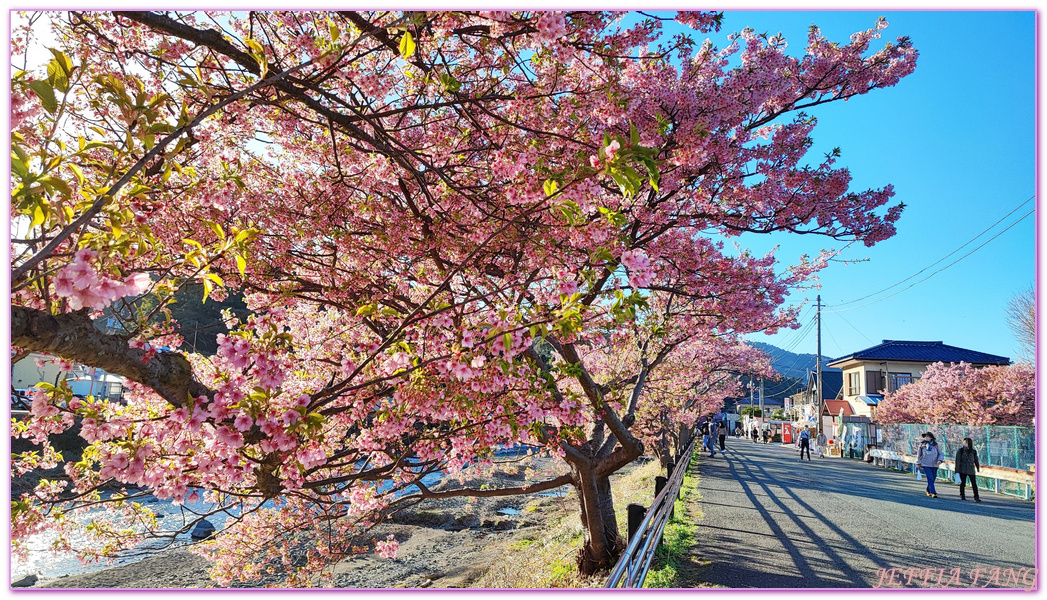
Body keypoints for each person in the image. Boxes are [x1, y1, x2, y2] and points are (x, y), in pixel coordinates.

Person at [917, 432, 944, 498]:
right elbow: (918, 455)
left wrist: (939, 460)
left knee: (933, 478)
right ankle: (933, 492)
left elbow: (940, 453)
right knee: (930, 477)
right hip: (925, 463)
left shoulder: (936, 445)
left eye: (928, 436)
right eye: (925, 436)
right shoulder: (922, 445)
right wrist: (918, 463)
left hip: (934, 464)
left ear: (931, 437)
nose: (926, 438)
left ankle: (928, 490)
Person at [954, 437, 982, 502]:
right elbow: (957, 461)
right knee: (962, 483)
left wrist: (977, 467)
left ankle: (976, 497)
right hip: (962, 469)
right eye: (964, 442)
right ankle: (962, 495)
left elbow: (976, 460)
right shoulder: (960, 451)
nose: (964, 443)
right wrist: (957, 471)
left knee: (974, 483)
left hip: (971, 469)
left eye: (966, 442)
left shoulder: (973, 451)